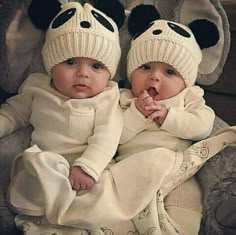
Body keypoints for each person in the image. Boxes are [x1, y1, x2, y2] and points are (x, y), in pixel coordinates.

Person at [0, 1, 122, 214]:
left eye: (96, 66)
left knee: (107, 196)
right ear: (51, 64)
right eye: (71, 62)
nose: (83, 73)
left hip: (90, 168)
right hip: (46, 163)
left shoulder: (107, 96)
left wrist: (88, 167)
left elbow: (108, 135)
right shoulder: (37, 86)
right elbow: (14, 113)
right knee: (28, 173)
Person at [116, 17, 215, 234]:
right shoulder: (123, 99)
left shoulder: (188, 97)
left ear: (185, 81)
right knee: (119, 210)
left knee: (188, 198)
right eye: (146, 67)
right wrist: (136, 115)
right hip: (131, 170)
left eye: (169, 72)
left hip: (177, 171)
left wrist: (169, 117)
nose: (154, 77)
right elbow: (114, 136)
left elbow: (204, 125)